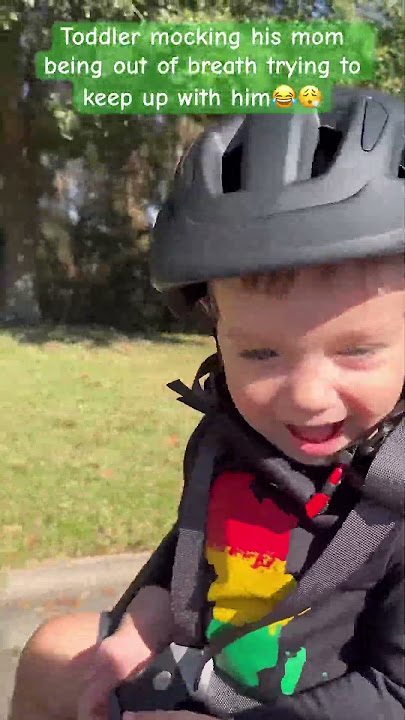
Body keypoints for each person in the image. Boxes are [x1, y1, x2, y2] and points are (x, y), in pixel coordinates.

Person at [10, 85, 404, 720]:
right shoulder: (234, 439)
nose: (304, 396)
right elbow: (193, 561)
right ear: (216, 334)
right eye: (259, 355)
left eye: (356, 351)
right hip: (212, 677)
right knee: (56, 651)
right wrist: (135, 637)